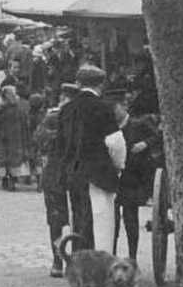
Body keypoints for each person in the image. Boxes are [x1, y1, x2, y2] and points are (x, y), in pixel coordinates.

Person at [56, 64, 120, 250]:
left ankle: (79, 257)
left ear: (79, 84)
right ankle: (98, 259)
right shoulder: (103, 107)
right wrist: (117, 165)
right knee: (100, 219)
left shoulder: (67, 109)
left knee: (78, 217)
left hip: (73, 171)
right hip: (98, 172)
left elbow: (60, 145)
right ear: (101, 84)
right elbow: (115, 142)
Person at [35, 82, 80, 277]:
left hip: (73, 173)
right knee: (56, 219)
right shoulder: (53, 117)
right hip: (55, 173)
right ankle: (57, 259)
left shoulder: (80, 119)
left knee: (78, 218)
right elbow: (40, 139)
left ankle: (75, 260)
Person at [115, 113, 163, 260]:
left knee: (130, 218)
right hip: (115, 178)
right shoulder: (109, 126)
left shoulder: (139, 123)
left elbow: (158, 137)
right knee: (113, 220)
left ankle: (132, 256)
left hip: (135, 178)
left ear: (122, 107)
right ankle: (111, 254)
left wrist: (145, 144)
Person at [0, 85, 30, 191]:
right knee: (14, 161)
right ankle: (12, 180)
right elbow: (25, 127)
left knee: (3, 160)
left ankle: (5, 179)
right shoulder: (19, 111)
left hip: (2, 139)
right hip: (15, 140)